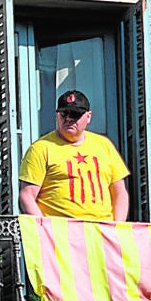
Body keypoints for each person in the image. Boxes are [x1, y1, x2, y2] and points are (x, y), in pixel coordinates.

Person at [17, 90, 130, 222]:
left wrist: (117, 228)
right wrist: (46, 230)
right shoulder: (41, 148)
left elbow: (120, 193)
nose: (69, 119)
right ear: (57, 116)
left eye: (75, 115)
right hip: (61, 233)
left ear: (88, 116)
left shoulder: (104, 145)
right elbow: (27, 195)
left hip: (102, 232)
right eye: (64, 114)